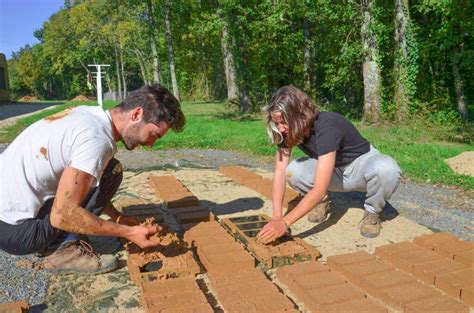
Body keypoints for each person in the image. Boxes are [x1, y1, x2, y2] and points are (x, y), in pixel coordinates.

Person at [0, 84, 185, 274]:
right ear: (137, 114)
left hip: (7, 216)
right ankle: (64, 251)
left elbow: (86, 184)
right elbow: (62, 214)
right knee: (108, 173)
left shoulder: (90, 116)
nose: (151, 144)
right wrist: (128, 232)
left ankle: (55, 240)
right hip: (17, 231)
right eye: (153, 134)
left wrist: (117, 217)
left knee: (110, 170)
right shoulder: (97, 141)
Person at [257, 86, 401, 243]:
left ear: (299, 116)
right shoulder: (286, 131)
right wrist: (277, 217)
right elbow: (280, 171)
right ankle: (322, 202)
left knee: (387, 169)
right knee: (292, 171)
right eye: (276, 123)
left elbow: (319, 189)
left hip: (360, 167)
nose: (280, 128)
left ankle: (372, 212)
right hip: (334, 169)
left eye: (283, 122)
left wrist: (285, 223)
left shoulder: (327, 126)